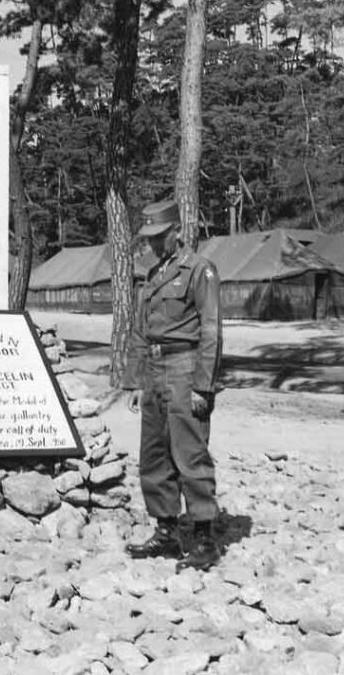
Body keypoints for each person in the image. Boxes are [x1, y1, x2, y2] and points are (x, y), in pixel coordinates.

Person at [120, 198, 223, 572]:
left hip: (186, 366)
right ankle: (166, 530)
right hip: (154, 369)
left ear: (177, 231)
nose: (152, 244)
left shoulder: (199, 270)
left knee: (189, 453)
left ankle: (204, 538)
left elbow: (211, 329)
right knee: (154, 454)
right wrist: (134, 381)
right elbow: (138, 330)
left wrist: (203, 384)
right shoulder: (151, 276)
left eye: (159, 236)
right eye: (148, 238)